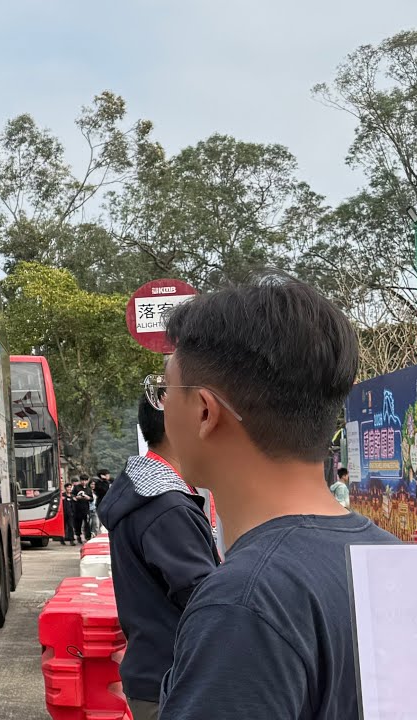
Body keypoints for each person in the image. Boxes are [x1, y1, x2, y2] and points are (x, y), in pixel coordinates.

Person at [155, 275, 398, 720]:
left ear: (205, 411)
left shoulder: (244, 604)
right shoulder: (391, 558)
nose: (163, 407)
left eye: (164, 392)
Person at [97, 396, 220, 720]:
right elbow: (204, 600)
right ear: (176, 424)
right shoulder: (166, 508)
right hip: (174, 679)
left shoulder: (144, 493)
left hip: (153, 674)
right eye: (205, 417)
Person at [71, 473, 94, 543]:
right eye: (82, 480)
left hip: (86, 509)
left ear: (87, 481)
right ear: (80, 480)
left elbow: (91, 499)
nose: (84, 482)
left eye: (85, 480)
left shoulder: (88, 489)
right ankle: (78, 536)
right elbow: (72, 496)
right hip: (77, 509)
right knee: (78, 523)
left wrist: (88, 497)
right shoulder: (76, 487)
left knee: (87, 523)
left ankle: (88, 537)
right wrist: (76, 497)